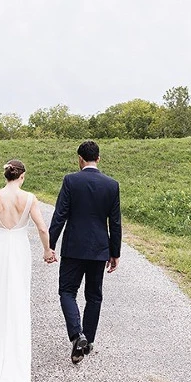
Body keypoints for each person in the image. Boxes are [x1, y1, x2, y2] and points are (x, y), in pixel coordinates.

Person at [0, 159, 56, 382]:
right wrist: (47, 250)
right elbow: (41, 228)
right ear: (22, 176)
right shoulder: (29, 198)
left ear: (6, 175)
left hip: (0, 247)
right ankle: (17, 358)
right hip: (19, 250)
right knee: (18, 299)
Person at [48, 140, 122, 364]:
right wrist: (115, 252)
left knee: (67, 292)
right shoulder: (112, 185)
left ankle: (76, 335)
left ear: (80, 159)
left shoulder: (71, 180)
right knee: (94, 296)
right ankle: (87, 341)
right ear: (98, 158)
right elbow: (115, 223)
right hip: (100, 248)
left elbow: (60, 214)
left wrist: (50, 244)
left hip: (73, 247)